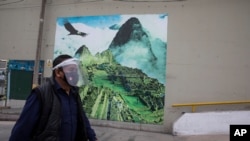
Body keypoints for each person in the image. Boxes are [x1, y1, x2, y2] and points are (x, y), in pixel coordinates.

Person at [9, 54, 98, 141]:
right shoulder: (41, 94)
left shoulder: (74, 93)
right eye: (71, 70)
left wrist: (93, 137)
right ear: (58, 72)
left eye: (76, 70)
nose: (75, 74)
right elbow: (23, 128)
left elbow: (82, 119)